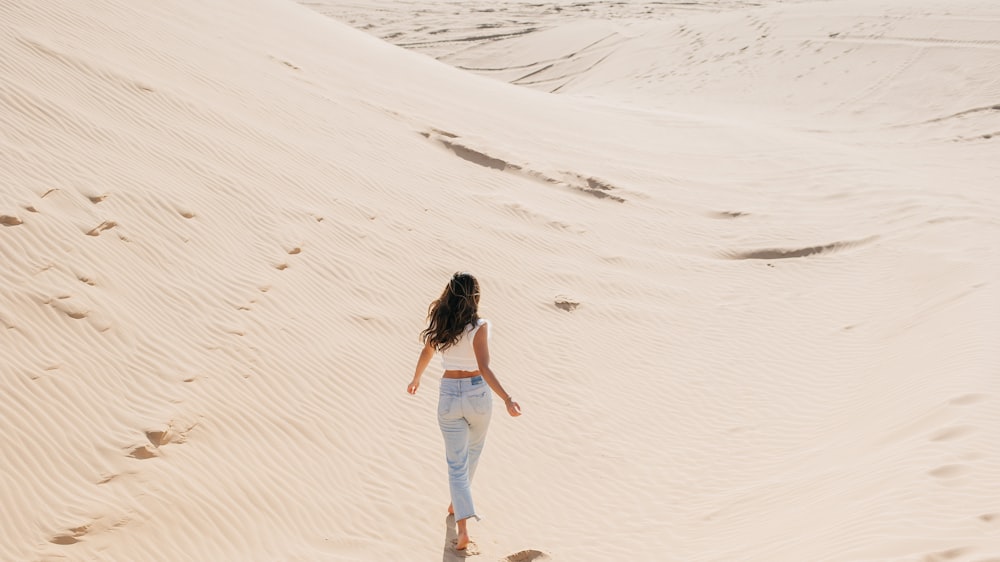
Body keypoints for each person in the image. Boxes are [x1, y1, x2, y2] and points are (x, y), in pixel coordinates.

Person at [407, 272, 522, 551]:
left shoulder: (441, 322)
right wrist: (507, 398)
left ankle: (461, 524)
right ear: (475, 297)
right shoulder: (480, 326)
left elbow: (427, 353)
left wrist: (416, 378)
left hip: (448, 393)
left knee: (456, 463)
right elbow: (484, 367)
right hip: (477, 395)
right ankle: (461, 513)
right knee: (472, 453)